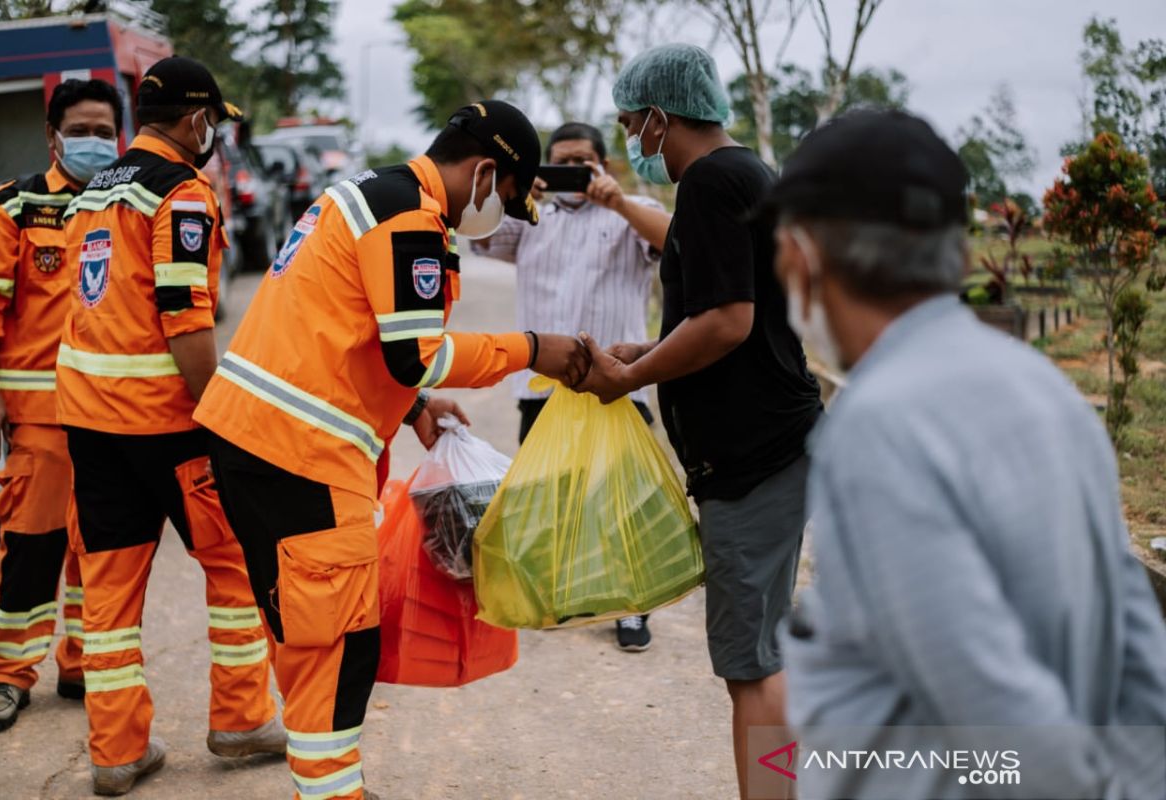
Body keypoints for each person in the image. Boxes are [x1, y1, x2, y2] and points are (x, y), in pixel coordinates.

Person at [194, 100, 590, 800]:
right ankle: (331, 793)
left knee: (310, 630)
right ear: (486, 170)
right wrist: (536, 350)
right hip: (299, 453)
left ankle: (328, 786)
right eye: (504, 196)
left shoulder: (372, 195)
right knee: (340, 642)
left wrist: (413, 409)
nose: (498, 212)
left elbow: (347, 329)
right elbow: (413, 353)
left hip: (259, 441)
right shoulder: (407, 215)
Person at [774, 110, 1166, 798]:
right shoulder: (1048, 391)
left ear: (801, 258)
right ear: (957, 254)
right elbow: (1139, 651)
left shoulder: (880, 424)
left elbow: (993, 707)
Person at [577, 44, 823, 799]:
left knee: (753, 666)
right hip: (767, 444)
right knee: (759, 653)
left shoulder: (713, 183)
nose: (630, 139)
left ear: (660, 117)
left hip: (755, 456)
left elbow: (728, 322)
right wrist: (654, 346)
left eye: (630, 123)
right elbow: (730, 315)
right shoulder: (746, 174)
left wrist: (632, 375)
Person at [57, 57, 283, 795]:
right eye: (212, 120)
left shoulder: (94, 189)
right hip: (169, 426)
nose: (212, 133)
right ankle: (241, 721)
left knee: (110, 595)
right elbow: (186, 317)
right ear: (196, 121)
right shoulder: (182, 193)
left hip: (91, 427)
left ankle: (117, 753)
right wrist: (220, 414)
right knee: (234, 567)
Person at [474, 120, 673, 652]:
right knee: (551, 494)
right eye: (557, 161)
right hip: (542, 384)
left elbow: (675, 242)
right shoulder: (529, 214)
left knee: (625, 500)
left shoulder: (630, 210)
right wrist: (512, 195)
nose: (570, 171)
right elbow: (479, 235)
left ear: (603, 165)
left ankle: (632, 607)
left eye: (581, 161)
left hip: (619, 382)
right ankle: (566, 590)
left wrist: (618, 203)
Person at [0, 78, 122, 733]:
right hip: (40, 419)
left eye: (105, 131)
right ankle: (8, 675)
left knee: (100, 551)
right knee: (31, 549)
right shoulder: (11, 207)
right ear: (53, 135)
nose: (94, 142)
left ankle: (80, 661)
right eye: (81, 130)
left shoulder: (127, 204)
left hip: (113, 417)